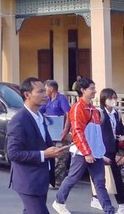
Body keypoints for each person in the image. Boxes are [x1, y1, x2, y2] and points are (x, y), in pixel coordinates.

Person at [53, 78, 115, 214]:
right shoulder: (77, 108)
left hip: (95, 153)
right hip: (81, 152)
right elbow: (78, 133)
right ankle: (58, 202)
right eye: (92, 88)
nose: (95, 91)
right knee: (73, 178)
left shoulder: (93, 109)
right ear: (83, 90)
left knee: (100, 183)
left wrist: (100, 153)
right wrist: (87, 153)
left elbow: (96, 135)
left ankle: (109, 210)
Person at [8, 77, 66, 213]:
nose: (45, 94)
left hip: (41, 179)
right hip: (28, 181)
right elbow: (13, 153)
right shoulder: (19, 120)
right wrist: (44, 154)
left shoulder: (40, 116)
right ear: (27, 94)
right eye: (40, 91)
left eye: (44, 91)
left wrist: (55, 150)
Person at [90, 88, 124, 213]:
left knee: (112, 177)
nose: (113, 100)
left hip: (113, 148)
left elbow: (119, 129)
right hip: (102, 149)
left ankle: (119, 203)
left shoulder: (115, 113)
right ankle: (118, 204)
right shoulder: (99, 113)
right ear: (104, 100)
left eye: (115, 98)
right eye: (110, 98)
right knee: (102, 177)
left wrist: (121, 137)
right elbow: (95, 131)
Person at [39, 79, 72, 187]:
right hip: (51, 132)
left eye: (46, 88)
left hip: (60, 132)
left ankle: (57, 181)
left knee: (61, 157)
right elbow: (40, 111)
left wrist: (65, 130)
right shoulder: (48, 100)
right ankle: (50, 179)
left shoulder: (61, 98)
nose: (45, 91)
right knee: (50, 155)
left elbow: (68, 114)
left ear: (51, 88)